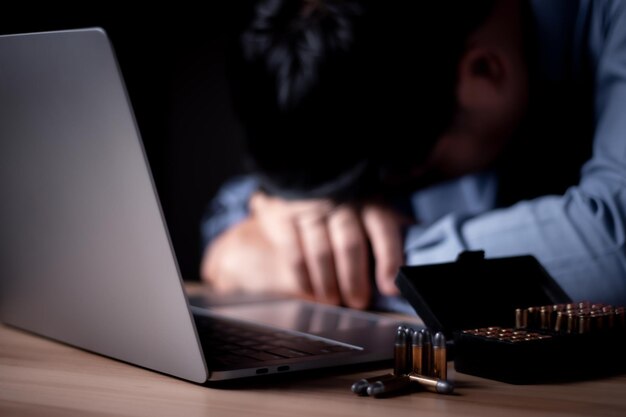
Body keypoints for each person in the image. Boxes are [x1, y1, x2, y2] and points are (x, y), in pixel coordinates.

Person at [201, 0, 626, 310]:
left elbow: (613, 240)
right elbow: (242, 218)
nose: (374, 200)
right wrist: (255, 223)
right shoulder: (411, 84)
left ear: (484, 71)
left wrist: (353, 268)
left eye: (400, 180)